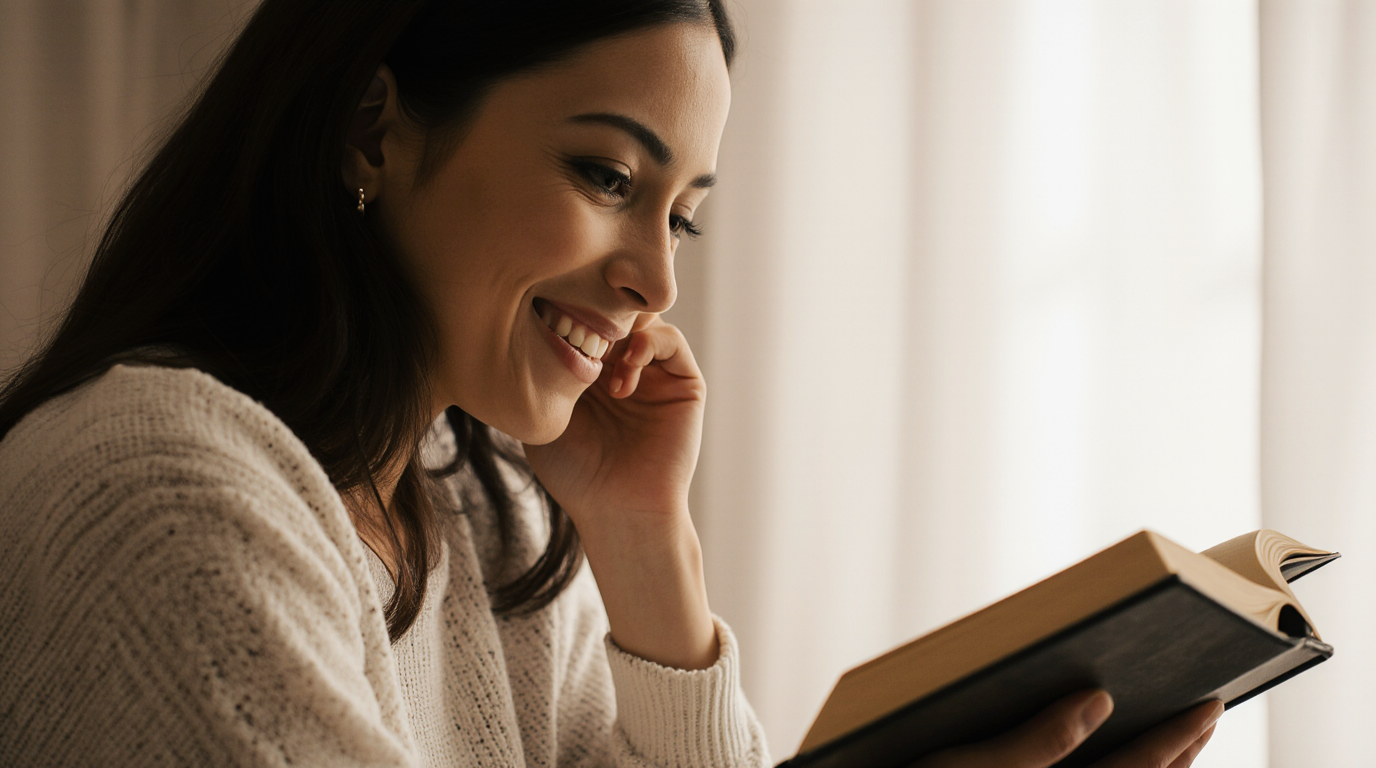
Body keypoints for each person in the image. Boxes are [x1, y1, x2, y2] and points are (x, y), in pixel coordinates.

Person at [0, 2, 1222, 766]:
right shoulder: (158, 489)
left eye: (682, 218)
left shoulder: (490, 524)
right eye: (605, 174)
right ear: (372, 128)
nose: (653, 279)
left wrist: (647, 544)